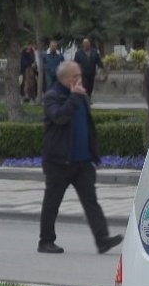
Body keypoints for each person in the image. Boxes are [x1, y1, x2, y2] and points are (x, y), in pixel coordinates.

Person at [37, 61, 123, 255]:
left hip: (82, 162)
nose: (79, 79)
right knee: (52, 202)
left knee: (91, 201)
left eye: (80, 75)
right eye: (75, 76)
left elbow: (87, 126)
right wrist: (74, 98)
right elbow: (59, 117)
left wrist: (93, 154)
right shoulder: (52, 96)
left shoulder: (81, 96)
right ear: (64, 78)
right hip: (59, 161)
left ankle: (103, 240)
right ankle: (46, 241)